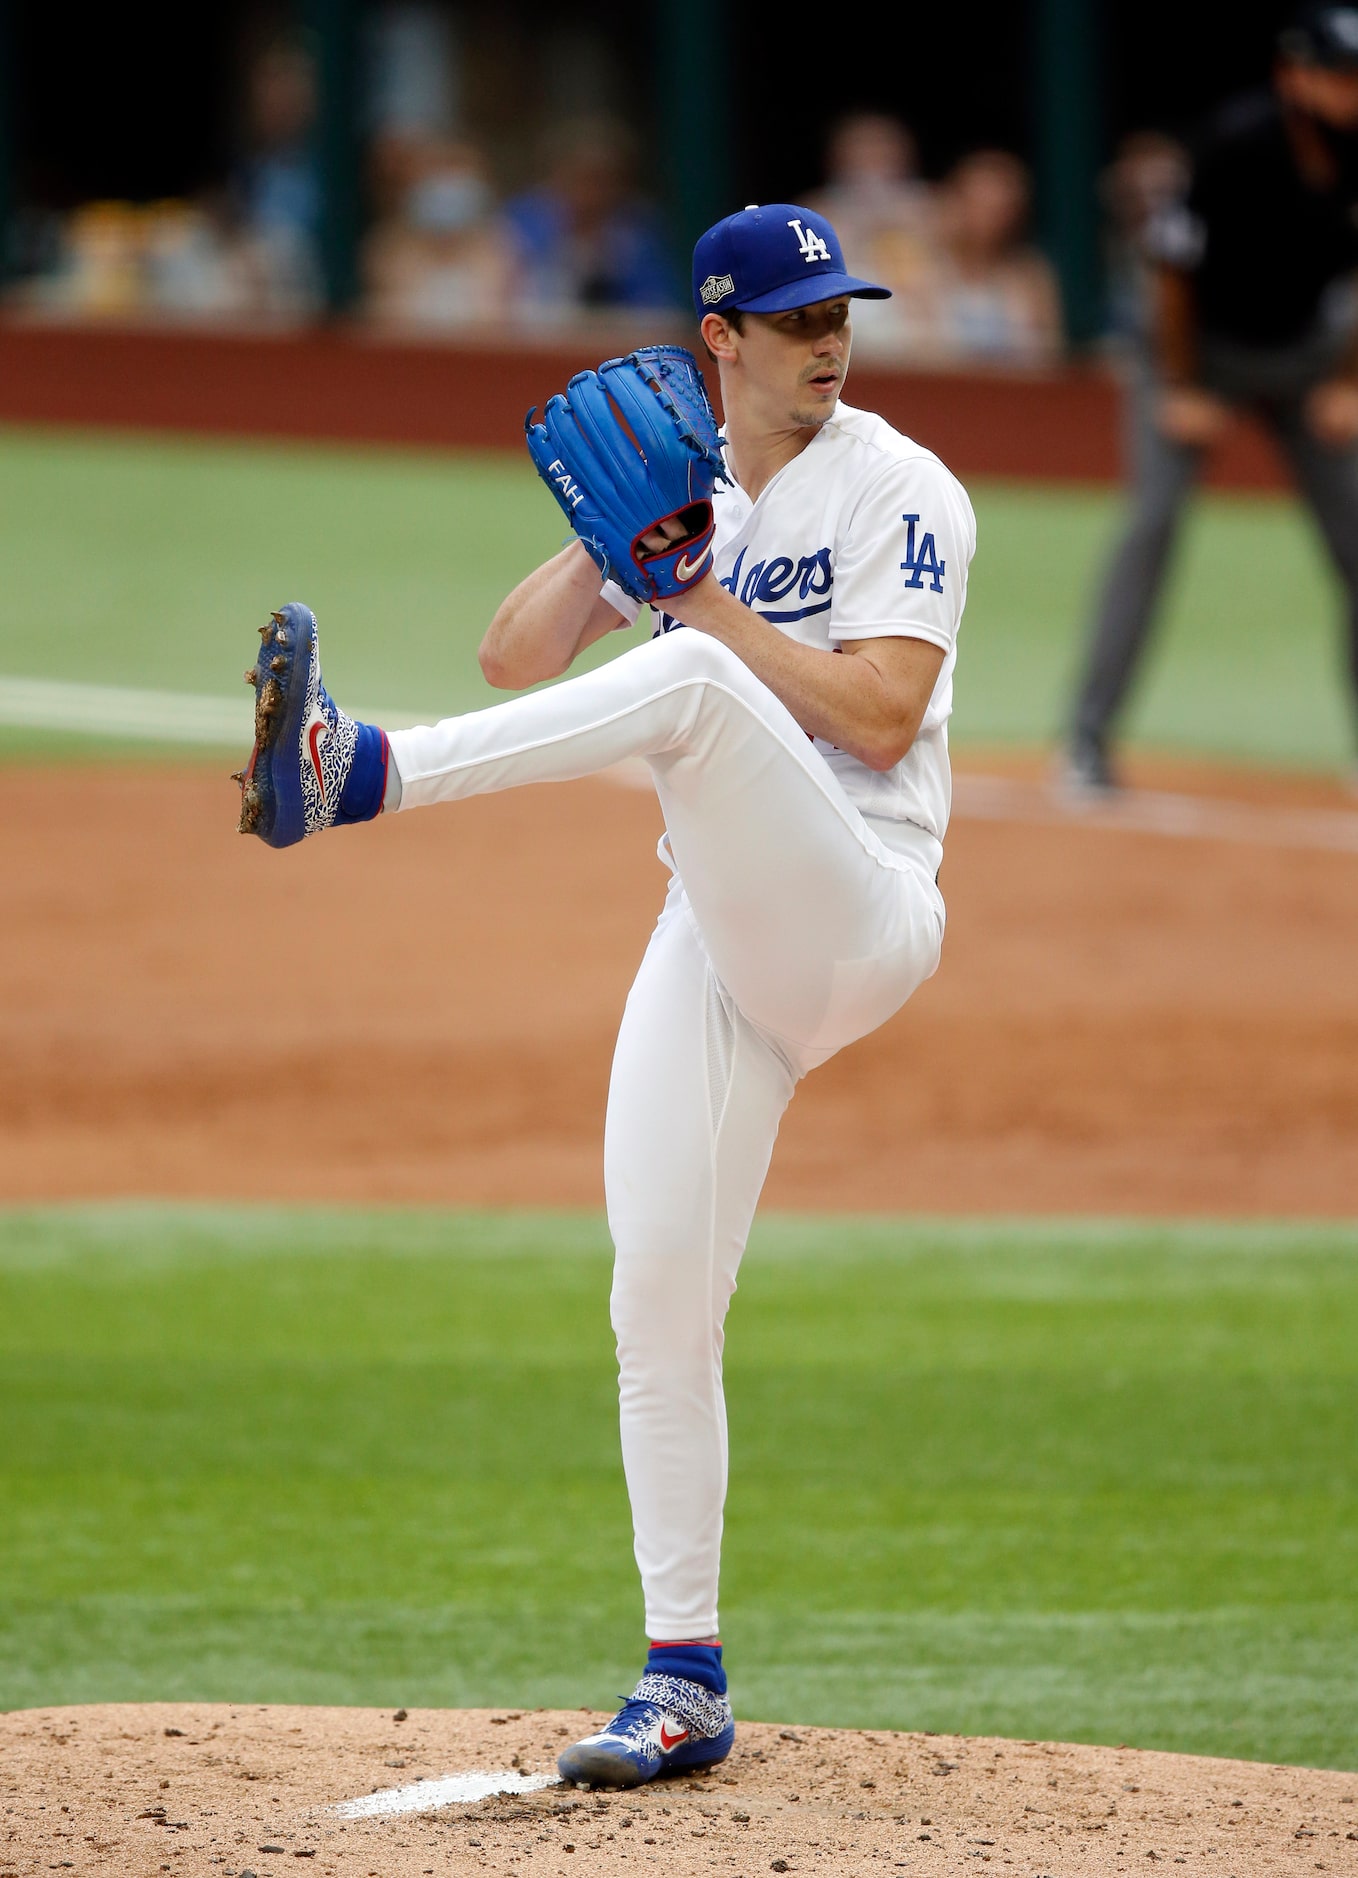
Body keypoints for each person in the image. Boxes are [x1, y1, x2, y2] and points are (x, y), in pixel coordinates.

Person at [234, 202, 974, 1785]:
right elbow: (513, 657)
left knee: (694, 682)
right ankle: (682, 1673)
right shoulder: (686, 479)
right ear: (720, 336)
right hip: (718, 932)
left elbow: (883, 711)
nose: (828, 336)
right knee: (655, 1298)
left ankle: (352, 771)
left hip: (857, 911)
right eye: (792, 317)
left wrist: (694, 599)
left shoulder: (900, 485)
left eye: (839, 308)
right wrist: (608, 535)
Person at [1065, 2, 1358, 792]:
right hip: (1194, 351)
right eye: (1339, 74)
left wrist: (1346, 382)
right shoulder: (1239, 142)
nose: (1351, 89)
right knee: (1152, 525)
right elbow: (1172, 272)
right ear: (1295, 76)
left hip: (1303, 358)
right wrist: (1185, 386)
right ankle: (1086, 745)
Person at [499, 114, 680, 322]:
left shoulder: (638, 227)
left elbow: (661, 307)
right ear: (557, 173)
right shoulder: (522, 222)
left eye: (606, 179)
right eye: (584, 177)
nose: (593, 191)